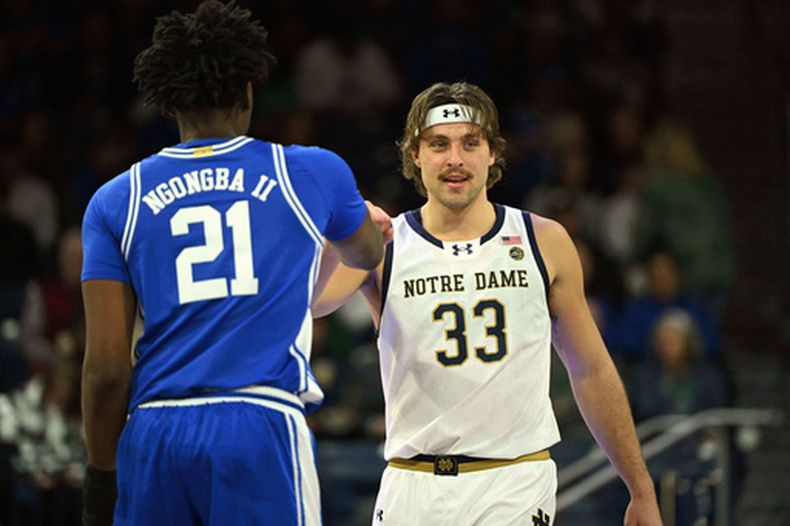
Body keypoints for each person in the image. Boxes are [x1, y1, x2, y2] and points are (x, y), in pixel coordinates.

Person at [80, 2, 383, 525]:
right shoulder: (310, 172)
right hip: (258, 421)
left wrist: (99, 479)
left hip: (155, 432)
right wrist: (332, 244)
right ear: (248, 92)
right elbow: (368, 253)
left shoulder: (115, 199)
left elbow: (106, 369)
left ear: (169, 104)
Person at [313, 82, 662, 525]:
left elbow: (590, 369)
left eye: (470, 143)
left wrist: (641, 487)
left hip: (513, 479)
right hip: (412, 483)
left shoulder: (544, 240)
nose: (455, 159)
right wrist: (336, 239)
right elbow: (304, 308)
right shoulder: (385, 245)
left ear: (493, 153)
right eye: (439, 144)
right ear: (415, 154)